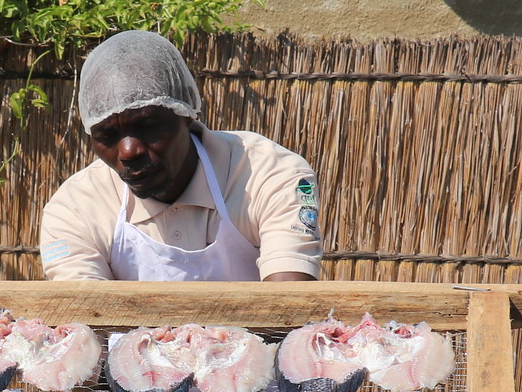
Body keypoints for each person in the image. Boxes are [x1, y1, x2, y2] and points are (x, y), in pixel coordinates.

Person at [39, 31, 319, 283]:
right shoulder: (75, 208)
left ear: (185, 114)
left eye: (147, 126)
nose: (128, 152)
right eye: (107, 135)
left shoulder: (266, 173)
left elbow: (286, 306)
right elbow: (83, 318)